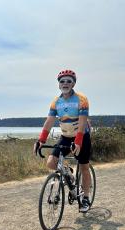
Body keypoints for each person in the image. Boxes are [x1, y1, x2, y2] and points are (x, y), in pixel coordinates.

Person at [34, 69, 92, 213]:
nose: (65, 83)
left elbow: (83, 122)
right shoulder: (56, 102)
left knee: (84, 167)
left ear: (73, 84)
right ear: (59, 84)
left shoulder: (81, 99)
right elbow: (49, 122)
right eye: (62, 81)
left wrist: (78, 141)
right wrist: (41, 140)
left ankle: (85, 197)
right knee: (51, 162)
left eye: (68, 81)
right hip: (66, 137)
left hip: (82, 136)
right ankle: (68, 174)